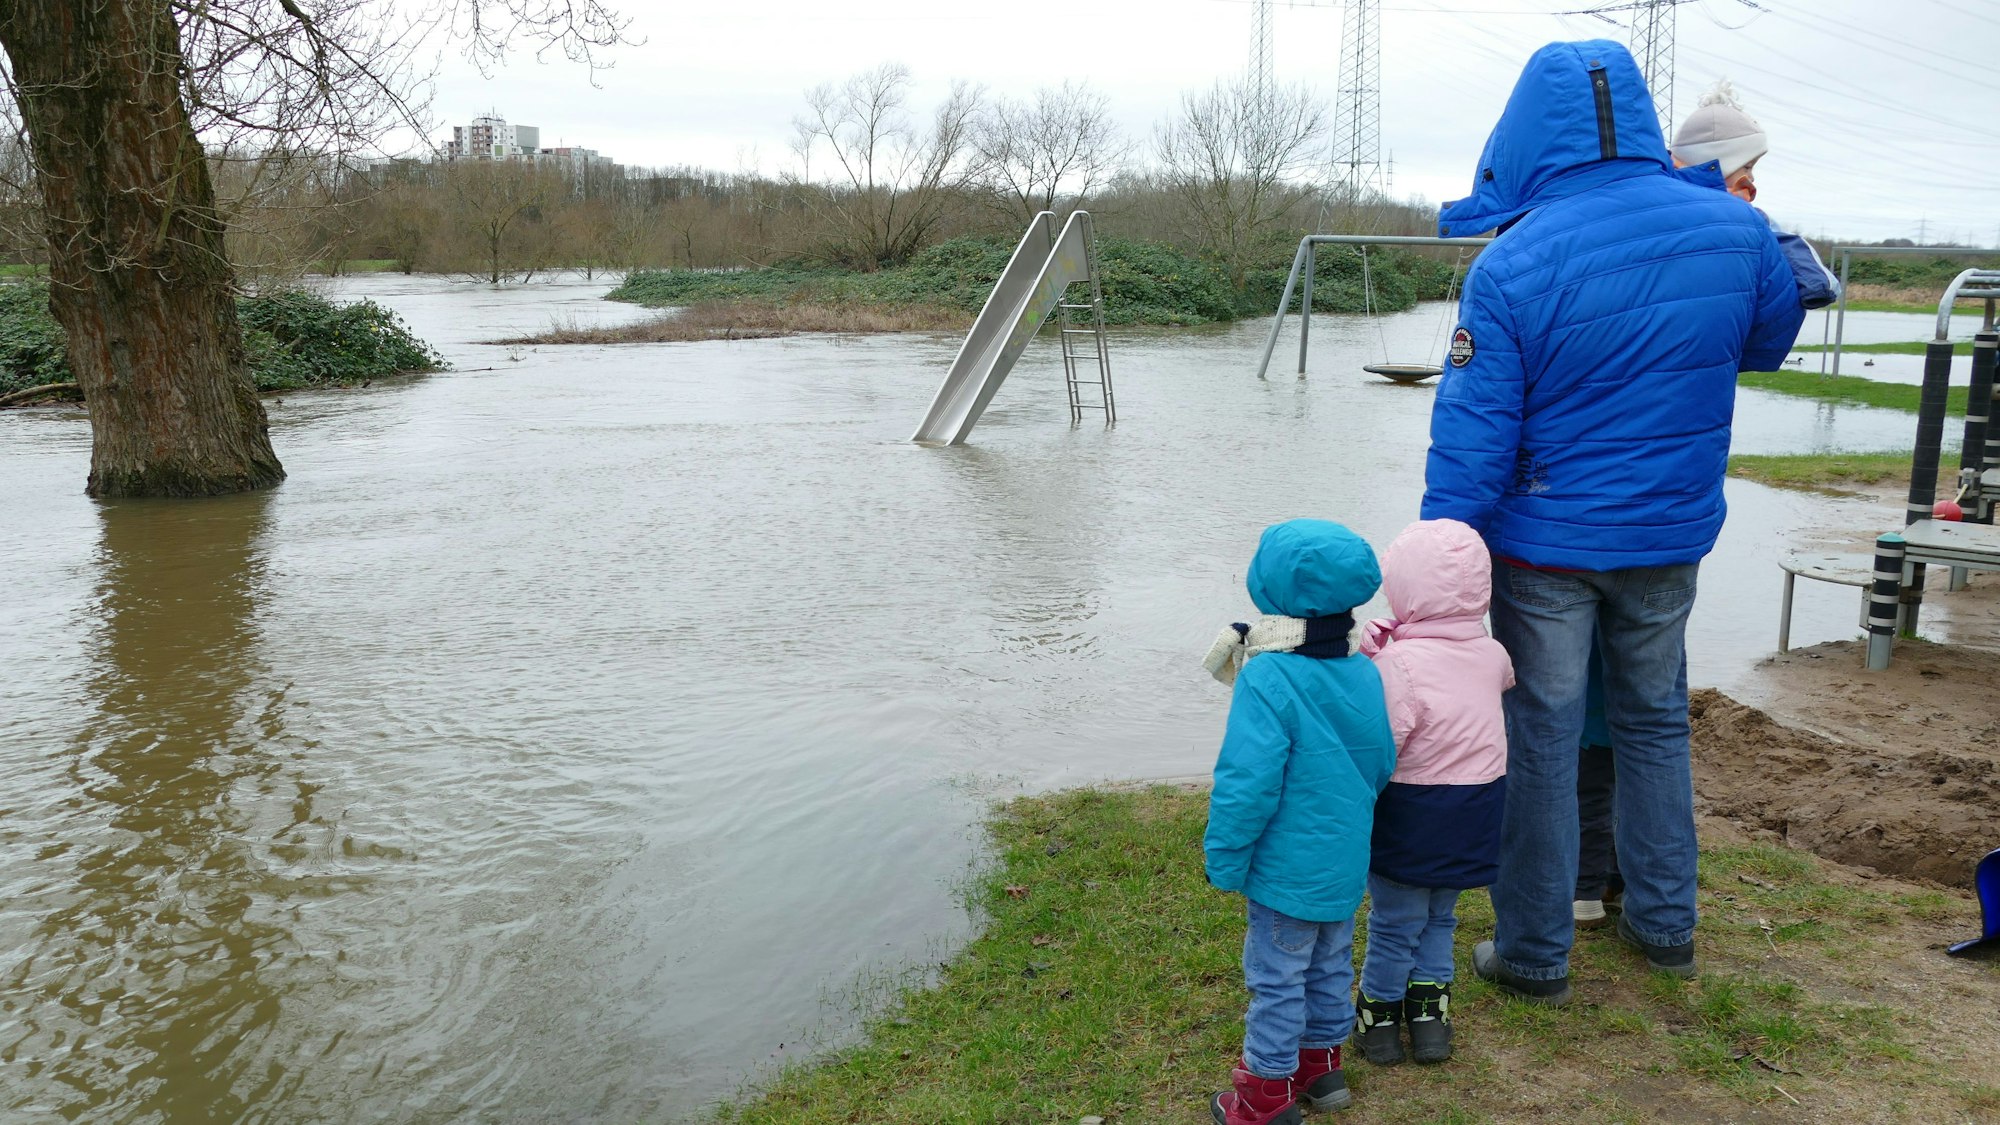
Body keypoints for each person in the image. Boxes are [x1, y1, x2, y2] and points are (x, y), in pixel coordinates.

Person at [1424, 41, 1806, 1005]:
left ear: (1523, 134)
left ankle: (1536, 949)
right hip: (1670, 536)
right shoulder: (1736, 232)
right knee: (1653, 723)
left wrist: (1437, 568)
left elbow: (1473, 439)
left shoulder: (1511, 263)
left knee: (1543, 737)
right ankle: (1666, 925)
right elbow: (1765, 337)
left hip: (1545, 545)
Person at [1201, 519, 1397, 1124]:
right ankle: (1321, 1065)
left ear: (1270, 587)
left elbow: (1247, 780)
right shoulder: (1362, 668)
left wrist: (1226, 856)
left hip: (1287, 869)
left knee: (1278, 977)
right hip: (1344, 862)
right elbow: (1383, 759)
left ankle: (1265, 1091)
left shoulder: (1266, 675)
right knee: (1331, 964)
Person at [1352, 519, 1512, 1066]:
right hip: (1477, 808)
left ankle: (1378, 1028)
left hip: (1413, 809)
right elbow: (1495, 681)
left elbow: (1384, 742)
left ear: (1404, 590)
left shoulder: (1398, 664)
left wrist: (1375, 657)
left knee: (1395, 922)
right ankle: (1430, 1026)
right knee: (1441, 919)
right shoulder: (1493, 654)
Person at [1670, 81, 1842, 310]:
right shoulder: (1750, 220)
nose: (1752, 178)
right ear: (1719, 164)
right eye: (1748, 166)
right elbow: (1790, 247)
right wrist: (1818, 284)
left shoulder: (1656, 200)